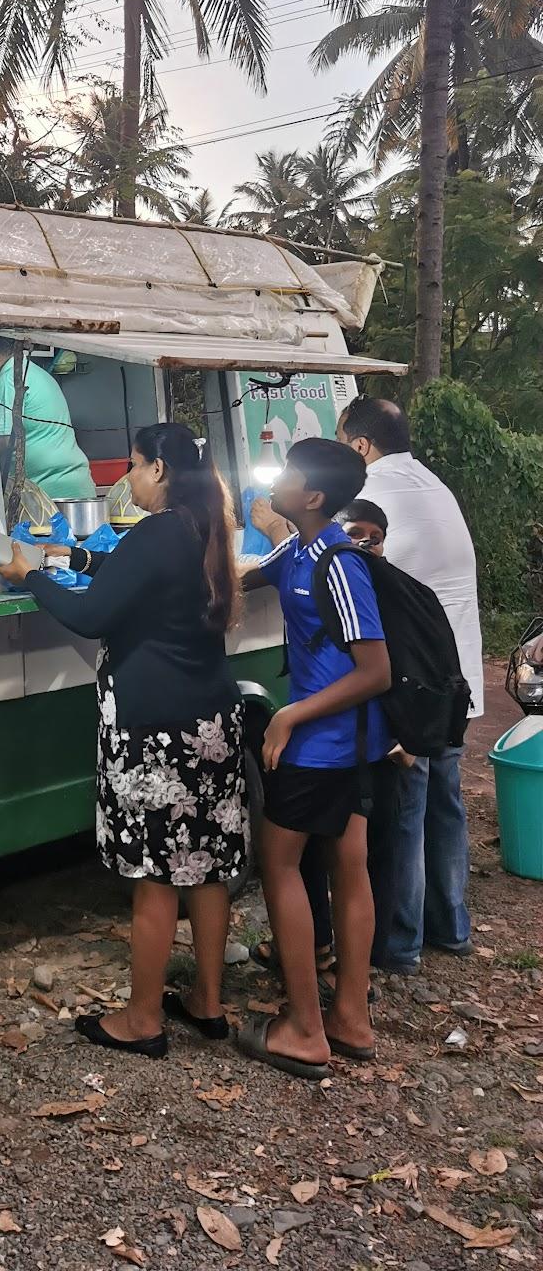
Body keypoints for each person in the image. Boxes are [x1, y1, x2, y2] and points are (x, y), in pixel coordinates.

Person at [0, 423, 246, 1059]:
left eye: (133, 466)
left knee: (156, 874)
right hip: (212, 718)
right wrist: (73, 559)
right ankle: (208, 1004)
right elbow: (133, 573)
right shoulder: (203, 522)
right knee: (206, 865)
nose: (124, 480)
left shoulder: (160, 529)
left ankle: (142, 1019)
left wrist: (29, 574)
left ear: (159, 470)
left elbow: (90, 616)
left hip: (156, 727)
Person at [240, 439, 392, 1079]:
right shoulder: (297, 550)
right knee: (347, 864)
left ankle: (305, 1029)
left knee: (280, 865)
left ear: (315, 497)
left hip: (329, 745)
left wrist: (290, 714)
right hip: (347, 744)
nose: (278, 478)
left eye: (289, 473)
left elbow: (376, 670)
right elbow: (247, 575)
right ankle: (350, 1019)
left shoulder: (337, 562)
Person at [337, 397, 481, 972]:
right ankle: (452, 925)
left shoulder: (372, 496)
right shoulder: (434, 487)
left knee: (405, 810)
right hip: (457, 678)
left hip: (414, 684)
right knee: (446, 802)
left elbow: (336, 557)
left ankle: (400, 943)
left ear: (361, 446)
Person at [0, 336, 96, 502]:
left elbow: (4, 441)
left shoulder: (9, 379)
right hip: (73, 483)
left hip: (47, 493)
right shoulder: (33, 372)